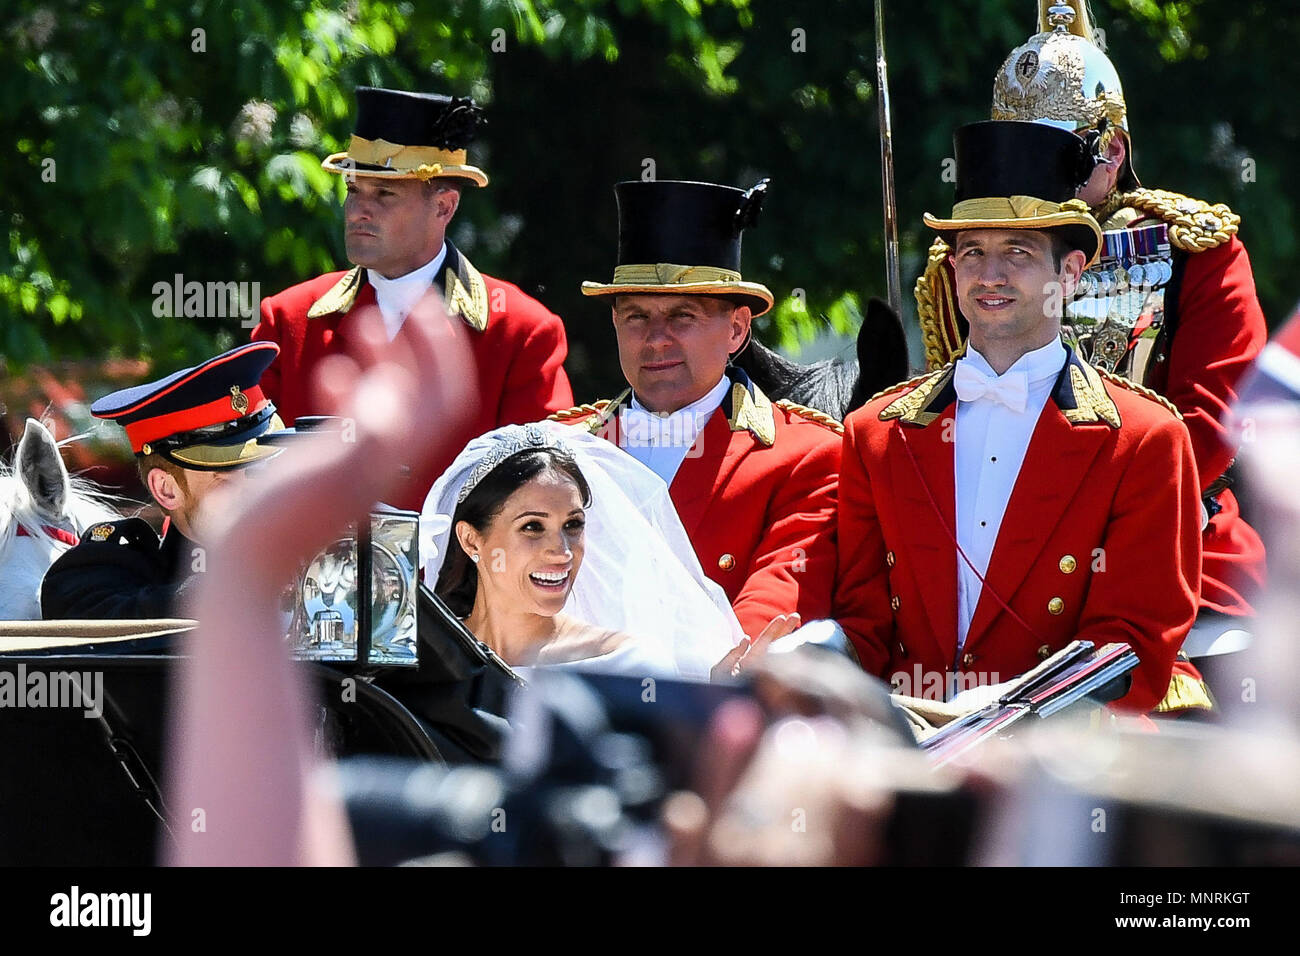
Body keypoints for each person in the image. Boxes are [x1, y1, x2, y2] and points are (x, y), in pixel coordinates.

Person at [915, 1, 1266, 709]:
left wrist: (1093, 520)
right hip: (997, 562)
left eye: (1057, 152)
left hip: (1175, 556)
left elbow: (1212, 419)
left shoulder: (1195, 247)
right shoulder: (955, 264)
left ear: (1111, 151)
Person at [835, 120, 1201, 714]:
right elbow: (860, 619)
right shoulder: (875, 434)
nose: (990, 275)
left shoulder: (1144, 441)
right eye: (973, 252)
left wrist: (1004, 721)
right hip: (905, 755)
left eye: (1018, 253)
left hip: (1060, 767)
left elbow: (1132, 644)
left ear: (1069, 274)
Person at [252, 86, 574, 511]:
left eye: (384, 194)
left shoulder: (521, 331)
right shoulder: (289, 319)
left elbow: (544, 499)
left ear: (444, 207)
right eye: (354, 189)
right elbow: (238, 470)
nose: (356, 211)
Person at [550, 179, 841, 640]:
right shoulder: (560, 446)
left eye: (683, 316)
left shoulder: (804, 456)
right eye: (637, 316)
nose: (656, 338)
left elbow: (774, 606)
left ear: (737, 330)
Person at [421, 422, 797, 682]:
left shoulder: (625, 664)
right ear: (472, 541)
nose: (561, 551)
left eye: (573, 525)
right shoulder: (426, 660)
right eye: (532, 527)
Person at [40, 342, 286, 620]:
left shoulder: (320, 554)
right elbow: (78, 609)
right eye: (228, 479)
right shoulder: (121, 575)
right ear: (166, 489)